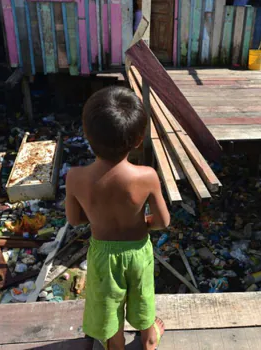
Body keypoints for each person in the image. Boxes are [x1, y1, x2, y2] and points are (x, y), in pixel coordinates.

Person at [65, 86, 170, 350]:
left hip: (103, 255)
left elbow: (75, 220)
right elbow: (162, 221)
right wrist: (141, 223)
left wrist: (99, 216)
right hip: (138, 252)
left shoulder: (76, 177)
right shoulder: (146, 176)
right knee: (143, 295)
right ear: (138, 140)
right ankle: (148, 340)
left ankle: (116, 344)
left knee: (108, 304)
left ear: (87, 135)